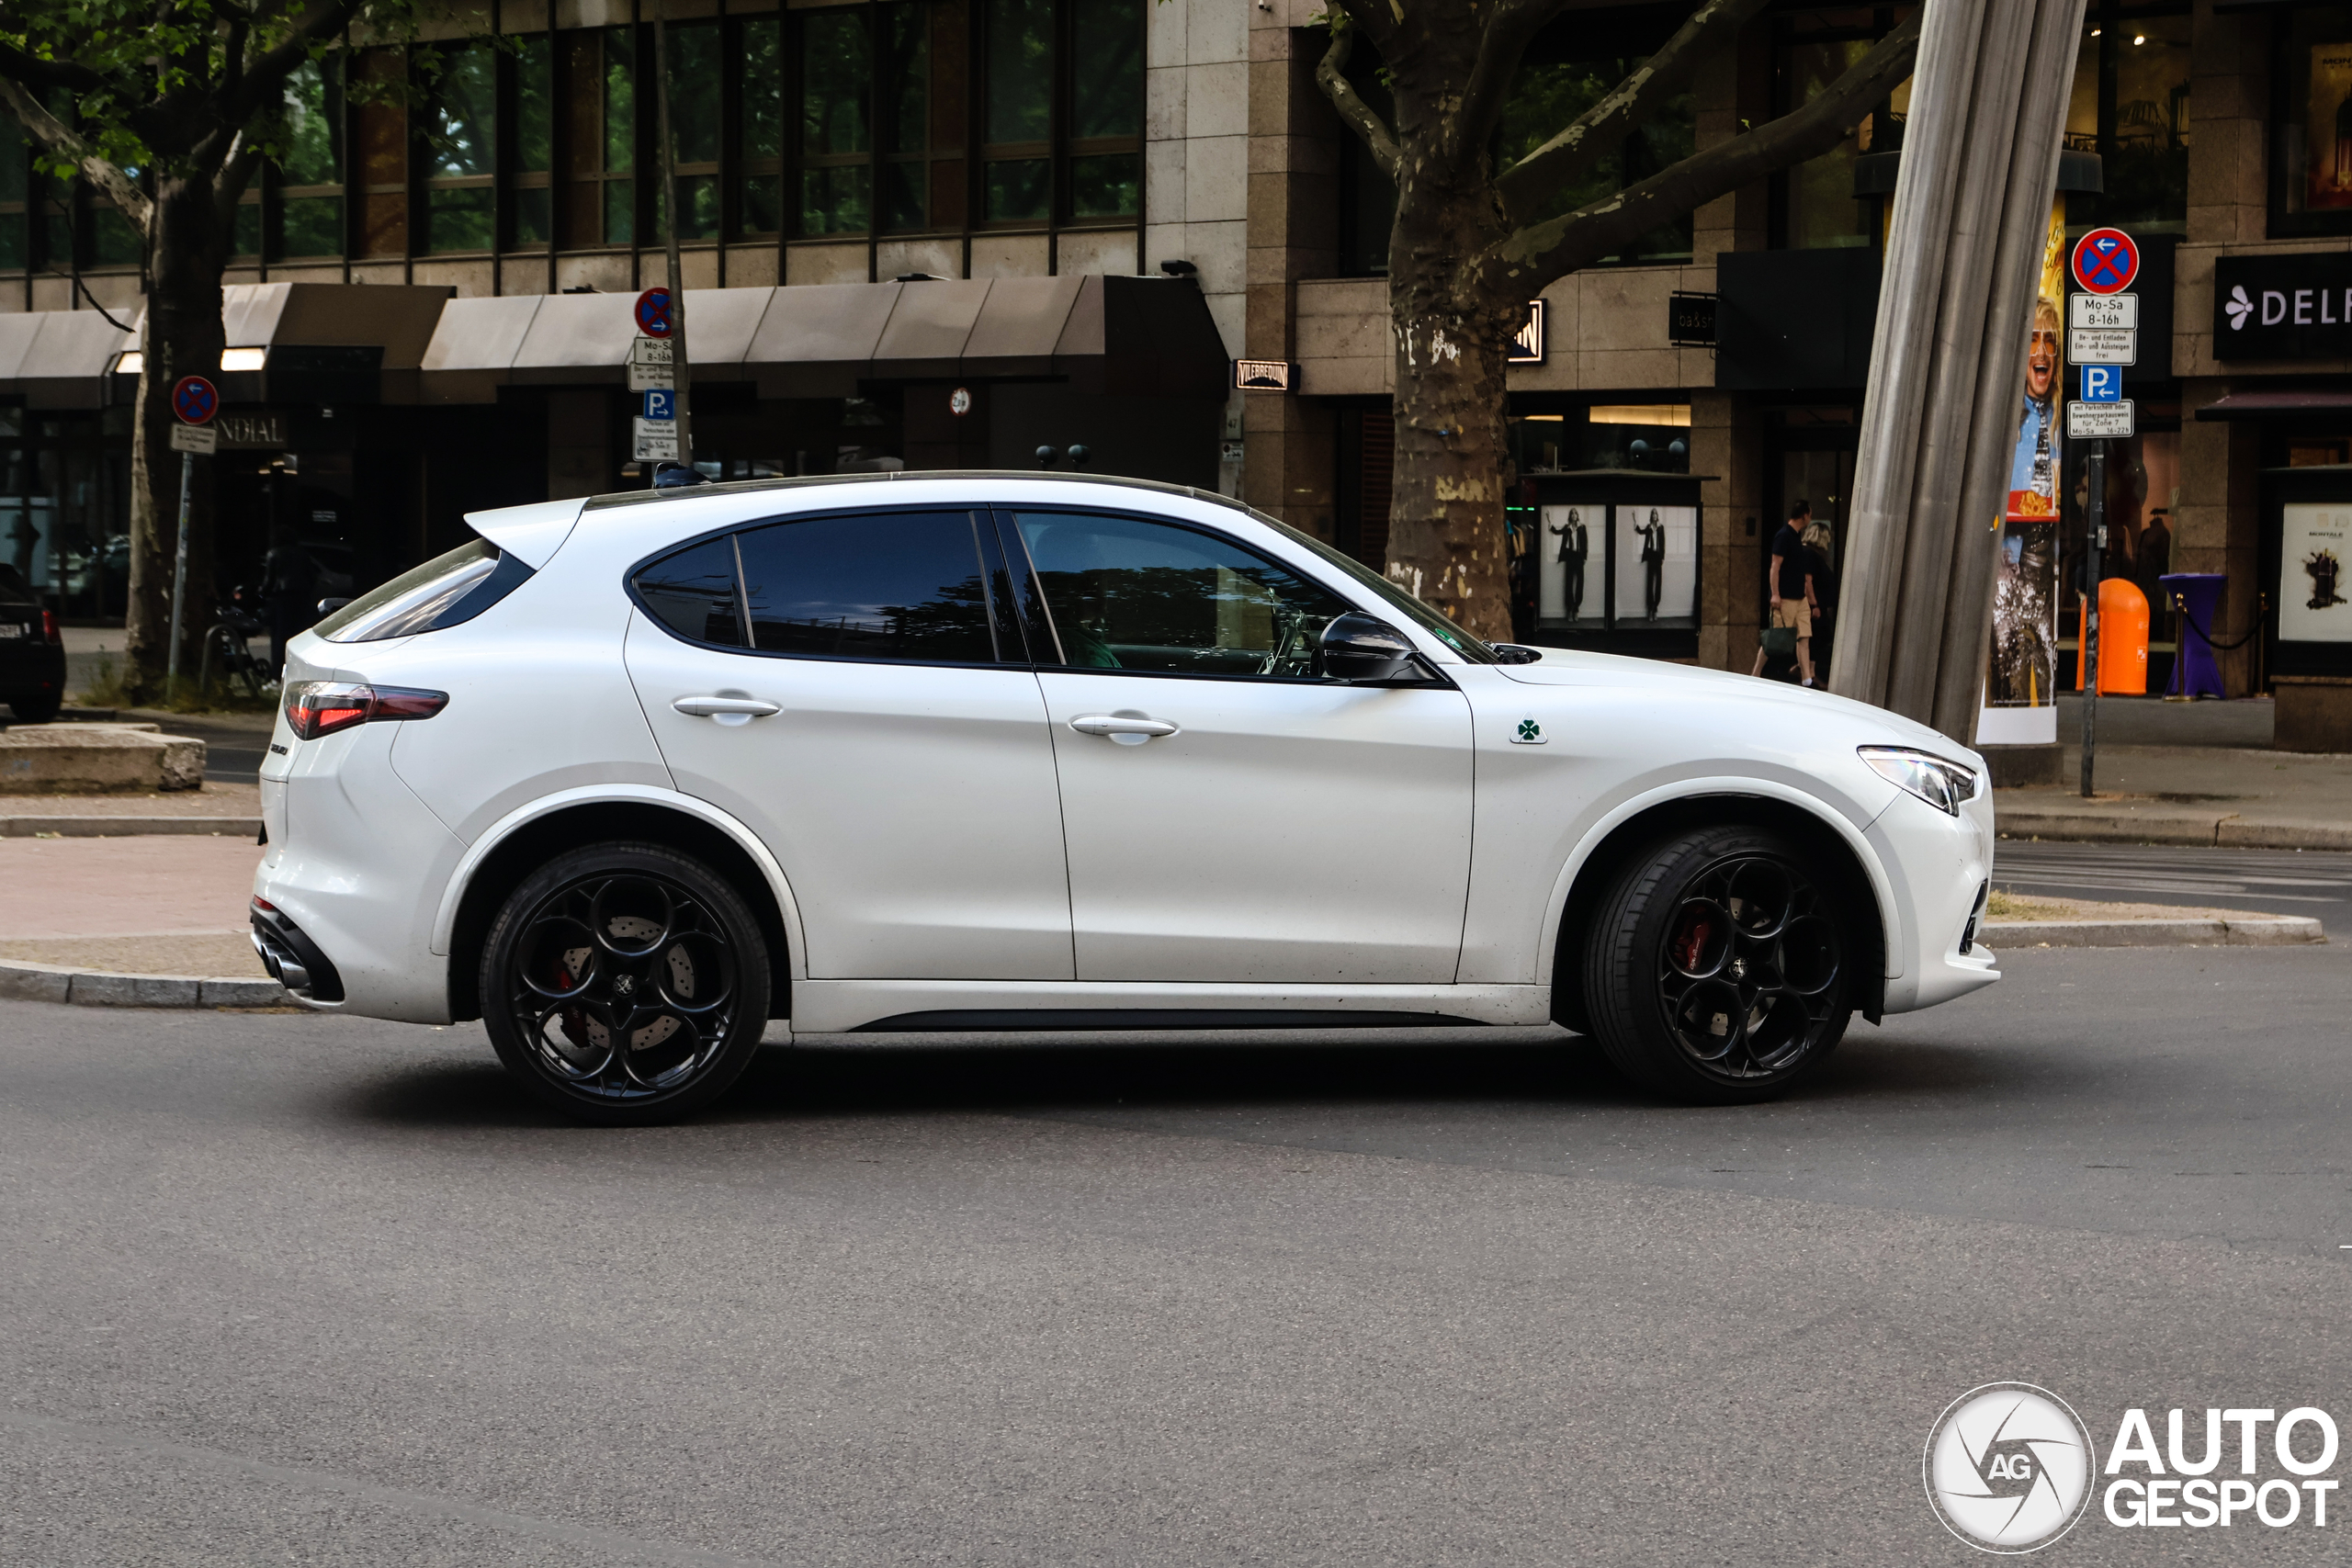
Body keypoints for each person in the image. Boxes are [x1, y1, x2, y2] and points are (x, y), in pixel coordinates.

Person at [1751, 500, 1820, 687]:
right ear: (1804, 515)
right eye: (1810, 515)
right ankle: (1756, 673)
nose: (1810, 518)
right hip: (1786, 597)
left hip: (1800, 598)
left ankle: (1807, 678)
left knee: (1804, 635)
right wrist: (1775, 594)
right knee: (1776, 636)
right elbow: (1775, 566)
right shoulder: (1783, 536)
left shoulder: (1796, 536)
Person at [260, 524, 320, 679]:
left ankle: (277, 673)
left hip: (282, 598)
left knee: (280, 637)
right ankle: (299, 672)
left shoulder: (274, 554)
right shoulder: (302, 554)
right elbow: (312, 577)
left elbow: (269, 580)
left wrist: (261, 593)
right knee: (299, 635)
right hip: (301, 598)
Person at [1800, 517, 1838, 674]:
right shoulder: (1809, 554)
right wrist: (1814, 604)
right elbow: (1807, 580)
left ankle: (1808, 670)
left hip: (1818, 603)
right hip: (1814, 604)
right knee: (1818, 636)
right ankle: (1808, 670)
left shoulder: (1813, 554)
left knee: (1818, 636)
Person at [1549, 507, 1589, 621]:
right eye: (1572, 514)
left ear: (1577, 516)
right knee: (1569, 583)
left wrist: (1585, 557)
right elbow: (1557, 532)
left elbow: (1585, 542)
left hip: (1579, 557)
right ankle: (1570, 609)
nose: (1574, 515)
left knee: (1580, 583)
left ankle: (1576, 609)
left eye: (1575, 513)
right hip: (1570, 556)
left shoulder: (1582, 527)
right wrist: (1550, 522)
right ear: (1570, 516)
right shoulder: (1567, 527)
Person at [1639, 508, 1666, 621]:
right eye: (1653, 514)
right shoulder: (1649, 527)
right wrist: (1635, 523)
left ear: (1657, 516)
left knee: (1658, 583)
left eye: (1656, 514)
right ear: (1651, 516)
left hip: (1658, 557)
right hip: (1651, 556)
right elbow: (1641, 532)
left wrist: (1663, 557)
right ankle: (1650, 609)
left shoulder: (1661, 527)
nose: (1654, 515)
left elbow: (1663, 542)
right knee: (1650, 583)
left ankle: (1655, 608)